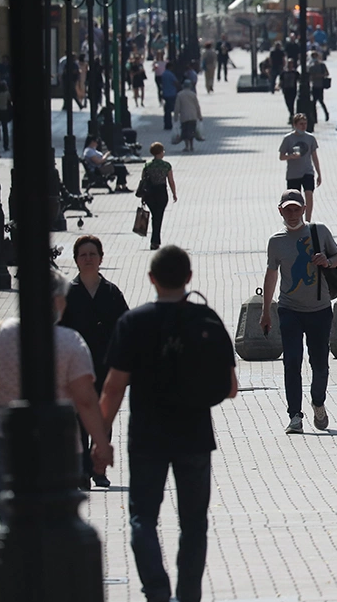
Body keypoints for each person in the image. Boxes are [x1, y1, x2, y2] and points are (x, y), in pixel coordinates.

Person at [100, 246, 239, 602]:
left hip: (147, 436)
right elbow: (231, 388)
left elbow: (114, 387)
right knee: (194, 524)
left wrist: (100, 442)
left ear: (151, 279)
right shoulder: (205, 318)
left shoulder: (134, 322)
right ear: (189, 277)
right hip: (194, 435)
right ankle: (188, 594)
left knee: (142, 519)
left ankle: (157, 591)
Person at [0, 270, 112, 523]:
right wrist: (100, 443)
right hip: (59, 445)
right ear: (58, 301)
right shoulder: (70, 343)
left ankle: (17, 560)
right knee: (55, 522)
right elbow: (86, 400)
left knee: (11, 523)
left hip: (2, 442)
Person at [261, 189, 337, 434]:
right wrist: (266, 310)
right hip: (289, 309)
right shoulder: (276, 241)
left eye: (297, 209)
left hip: (319, 309)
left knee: (319, 363)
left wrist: (327, 262)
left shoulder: (319, 232)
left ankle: (318, 401)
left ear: (305, 208)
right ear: (280, 211)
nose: (293, 214)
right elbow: (271, 274)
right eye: (288, 210)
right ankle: (295, 415)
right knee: (292, 361)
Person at [58, 236, 130, 489]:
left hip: (106, 365)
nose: (88, 259)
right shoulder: (68, 293)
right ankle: (80, 470)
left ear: (101, 258)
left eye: (92, 254)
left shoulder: (111, 292)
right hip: (75, 367)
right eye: (83, 255)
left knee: (102, 418)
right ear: (76, 260)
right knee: (78, 419)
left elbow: (126, 326)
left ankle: (98, 469)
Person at [279, 113, 322, 221]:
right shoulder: (288, 139)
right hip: (293, 174)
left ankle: (308, 220)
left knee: (309, 194)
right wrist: (291, 156)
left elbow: (314, 157)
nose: (303, 126)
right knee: (294, 199)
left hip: (307, 171)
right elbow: (281, 156)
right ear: (295, 125)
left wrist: (319, 174)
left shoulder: (310, 138)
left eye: (305, 123)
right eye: (301, 124)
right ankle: (297, 220)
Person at [139, 142, 177, 250]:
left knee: (155, 215)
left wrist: (143, 196)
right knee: (158, 216)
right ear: (160, 152)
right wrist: (174, 193)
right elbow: (171, 181)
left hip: (150, 193)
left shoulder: (147, 165)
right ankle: (155, 240)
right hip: (161, 192)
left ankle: (155, 240)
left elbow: (143, 181)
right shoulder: (166, 165)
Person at [174, 79, 202, 152]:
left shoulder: (180, 94)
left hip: (184, 116)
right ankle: (192, 146)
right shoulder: (193, 94)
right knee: (192, 131)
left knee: (185, 131)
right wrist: (199, 115)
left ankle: (187, 146)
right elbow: (197, 106)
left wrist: (176, 116)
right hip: (193, 115)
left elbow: (177, 107)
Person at [308, 51, 330, 121]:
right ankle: (315, 118)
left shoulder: (322, 65)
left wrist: (319, 76)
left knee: (321, 101)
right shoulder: (310, 66)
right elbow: (309, 76)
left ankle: (326, 114)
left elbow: (327, 73)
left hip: (320, 86)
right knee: (313, 103)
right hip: (314, 86)